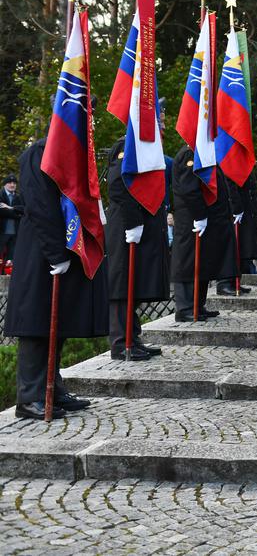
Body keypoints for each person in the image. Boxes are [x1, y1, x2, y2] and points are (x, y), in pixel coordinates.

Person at [3, 138, 107, 419]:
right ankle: (29, 397)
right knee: (37, 323)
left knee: (57, 321)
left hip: (62, 247)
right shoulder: (39, 152)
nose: (91, 122)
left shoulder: (72, 150)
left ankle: (52, 387)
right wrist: (54, 253)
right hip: (41, 252)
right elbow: (39, 206)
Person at [105, 138, 168, 361]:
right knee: (122, 284)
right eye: (157, 120)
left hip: (138, 227)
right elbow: (117, 184)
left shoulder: (145, 146)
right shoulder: (127, 145)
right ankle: (121, 342)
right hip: (125, 225)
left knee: (134, 283)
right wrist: (133, 222)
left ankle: (133, 337)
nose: (160, 126)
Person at [170, 147, 238, 322]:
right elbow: (189, 189)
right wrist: (200, 215)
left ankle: (198, 305)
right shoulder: (188, 154)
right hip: (191, 220)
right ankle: (185, 308)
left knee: (201, 262)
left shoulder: (203, 152)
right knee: (187, 262)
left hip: (203, 219)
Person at [216, 175, 257, 295]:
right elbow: (229, 180)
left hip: (241, 203)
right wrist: (236, 206)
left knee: (241, 244)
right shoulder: (229, 157)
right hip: (230, 207)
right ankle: (224, 282)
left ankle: (235, 280)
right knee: (231, 245)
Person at [0, 175, 24, 270]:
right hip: (2, 231)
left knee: (11, 258)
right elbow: (1, 212)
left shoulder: (19, 197)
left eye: (14, 183)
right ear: (5, 185)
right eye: (10, 183)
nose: (12, 185)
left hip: (15, 232)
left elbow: (24, 211)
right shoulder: (1, 195)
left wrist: (10, 208)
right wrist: (16, 212)